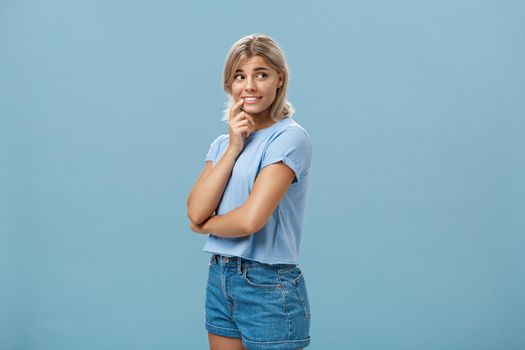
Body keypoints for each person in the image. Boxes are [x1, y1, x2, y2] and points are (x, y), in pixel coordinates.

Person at [187, 33, 312, 350]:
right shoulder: (223, 144)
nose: (250, 86)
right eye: (240, 76)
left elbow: (249, 221)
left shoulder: (289, 138)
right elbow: (195, 208)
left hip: (268, 284)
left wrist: (203, 227)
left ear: (279, 79)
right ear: (229, 85)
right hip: (220, 276)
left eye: (262, 74)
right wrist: (232, 149)